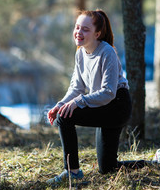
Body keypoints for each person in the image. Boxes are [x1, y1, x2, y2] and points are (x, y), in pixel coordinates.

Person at [46, 9, 132, 184]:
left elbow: (108, 92)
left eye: (85, 29)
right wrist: (60, 104)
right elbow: (76, 87)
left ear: (97, 33)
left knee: (64, 117)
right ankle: (154, 162)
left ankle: (72, 171)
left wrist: (80, 102)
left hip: (117, 106)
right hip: (102, 105)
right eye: (77, 27)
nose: (79, 32)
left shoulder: (107, 52)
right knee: (108, 168)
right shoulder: (80, 53)